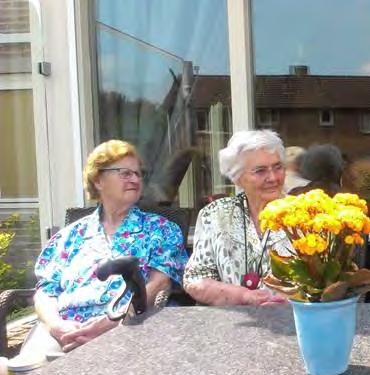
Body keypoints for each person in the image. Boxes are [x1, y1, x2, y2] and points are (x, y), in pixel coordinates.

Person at [28, 140, 188, 354]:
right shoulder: (69, 237)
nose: (135, 179)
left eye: (138, 173)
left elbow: (159, 284)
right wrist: (57, 326)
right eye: (125, 173)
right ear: (98, 180)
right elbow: (45, 292)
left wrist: (110, 323)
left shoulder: (160, 230)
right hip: (64, 329)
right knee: (25, 369)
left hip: (126, 325)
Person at [184, 130, 291, 306]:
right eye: (260, 171)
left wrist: (287, 303)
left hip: (294, 323)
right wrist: (243, 297)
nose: (273, 177)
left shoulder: (304, 216)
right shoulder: (215, 214)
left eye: (278, 167)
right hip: (233, 324)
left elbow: (325, 283)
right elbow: (196, 278)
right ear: (237, 178)